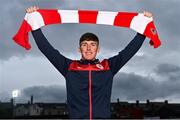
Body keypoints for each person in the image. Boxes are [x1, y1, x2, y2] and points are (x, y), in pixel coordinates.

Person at [26, 6, 153, 119]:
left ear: (98, 49)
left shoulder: (108, 67)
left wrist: (143, 27)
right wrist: (35, 24)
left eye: (92, 45)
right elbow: (46, 49)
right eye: (84, 45)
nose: (88, 48)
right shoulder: (69, 67)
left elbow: (129, 51)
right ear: (79, 49)